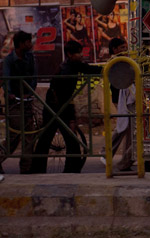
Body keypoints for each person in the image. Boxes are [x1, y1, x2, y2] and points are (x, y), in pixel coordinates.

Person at [32, 40, 102, 173]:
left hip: (62, 106)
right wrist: (70, 115)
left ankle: (63, 168)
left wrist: (108, 69)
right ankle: (64, 169)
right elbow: (60, 94)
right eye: (78, 53)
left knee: (58, 139)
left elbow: (90, 69)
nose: (81, 55)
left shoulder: (74, 65)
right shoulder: (66, 69)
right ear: (70, 54)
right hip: (56, 107)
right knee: (57, 138)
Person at [0, 31, 37, 174]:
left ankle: (26, 168)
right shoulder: (9, 60)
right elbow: (6, 78)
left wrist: (31, 91)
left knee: (29, 136)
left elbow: (34, 76)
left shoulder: (30, 58)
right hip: (14, 102)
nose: (30, 44)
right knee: (14, 136)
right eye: (28, 42)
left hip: (27, 100)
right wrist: (9, 94)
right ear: (21, 44)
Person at [99, 38, 135, 171]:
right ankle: (107, 152)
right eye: (122, 48)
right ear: (114, 49)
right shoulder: (115, 62)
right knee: (124, 126)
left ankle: (127, 158)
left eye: (125, 48)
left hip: (128, 97)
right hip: (121, 98)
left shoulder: (123, 61)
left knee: (130, 128)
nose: (124, 51)